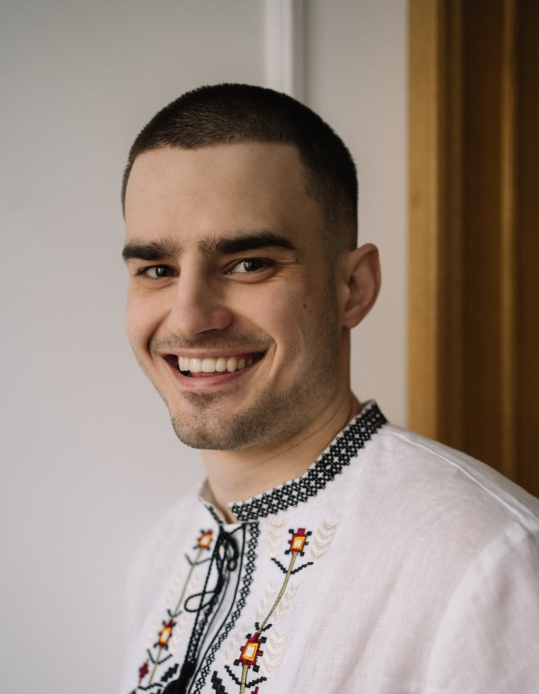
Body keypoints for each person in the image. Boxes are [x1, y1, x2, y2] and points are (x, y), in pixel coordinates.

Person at [120, 84, 539, 694]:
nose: (188, 318)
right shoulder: (165, 552)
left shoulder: (488, 565)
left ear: (354, 288)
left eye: (249, 263)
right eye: (157, 270)